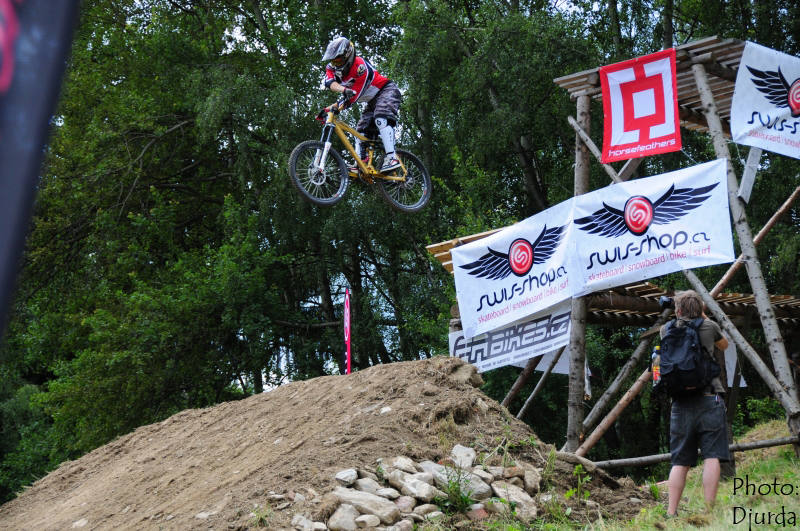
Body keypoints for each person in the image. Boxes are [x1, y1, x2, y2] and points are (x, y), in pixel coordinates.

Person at [661, 290, 729, 517]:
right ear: (700, 308)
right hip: (709, 397)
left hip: (680, 402)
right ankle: (708, 511)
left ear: (678, 310)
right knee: (712, 456)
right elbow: (724, 345)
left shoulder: (666, 329)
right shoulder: (709, 327)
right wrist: (703, 316)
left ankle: (671, 512)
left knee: (680, 460)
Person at [321, 36, 403, 173]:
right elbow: (329, 83)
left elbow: (354, 96)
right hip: (372, 101)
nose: (335, 64)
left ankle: (392, 157)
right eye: (333, 61)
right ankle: (361, 162)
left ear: (348, 56)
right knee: (360, 131)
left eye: (338, 60)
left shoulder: (360, 67)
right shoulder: (331, 68)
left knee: (380, 118)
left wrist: (335, 105)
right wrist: (337, 97)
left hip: (386, 90)